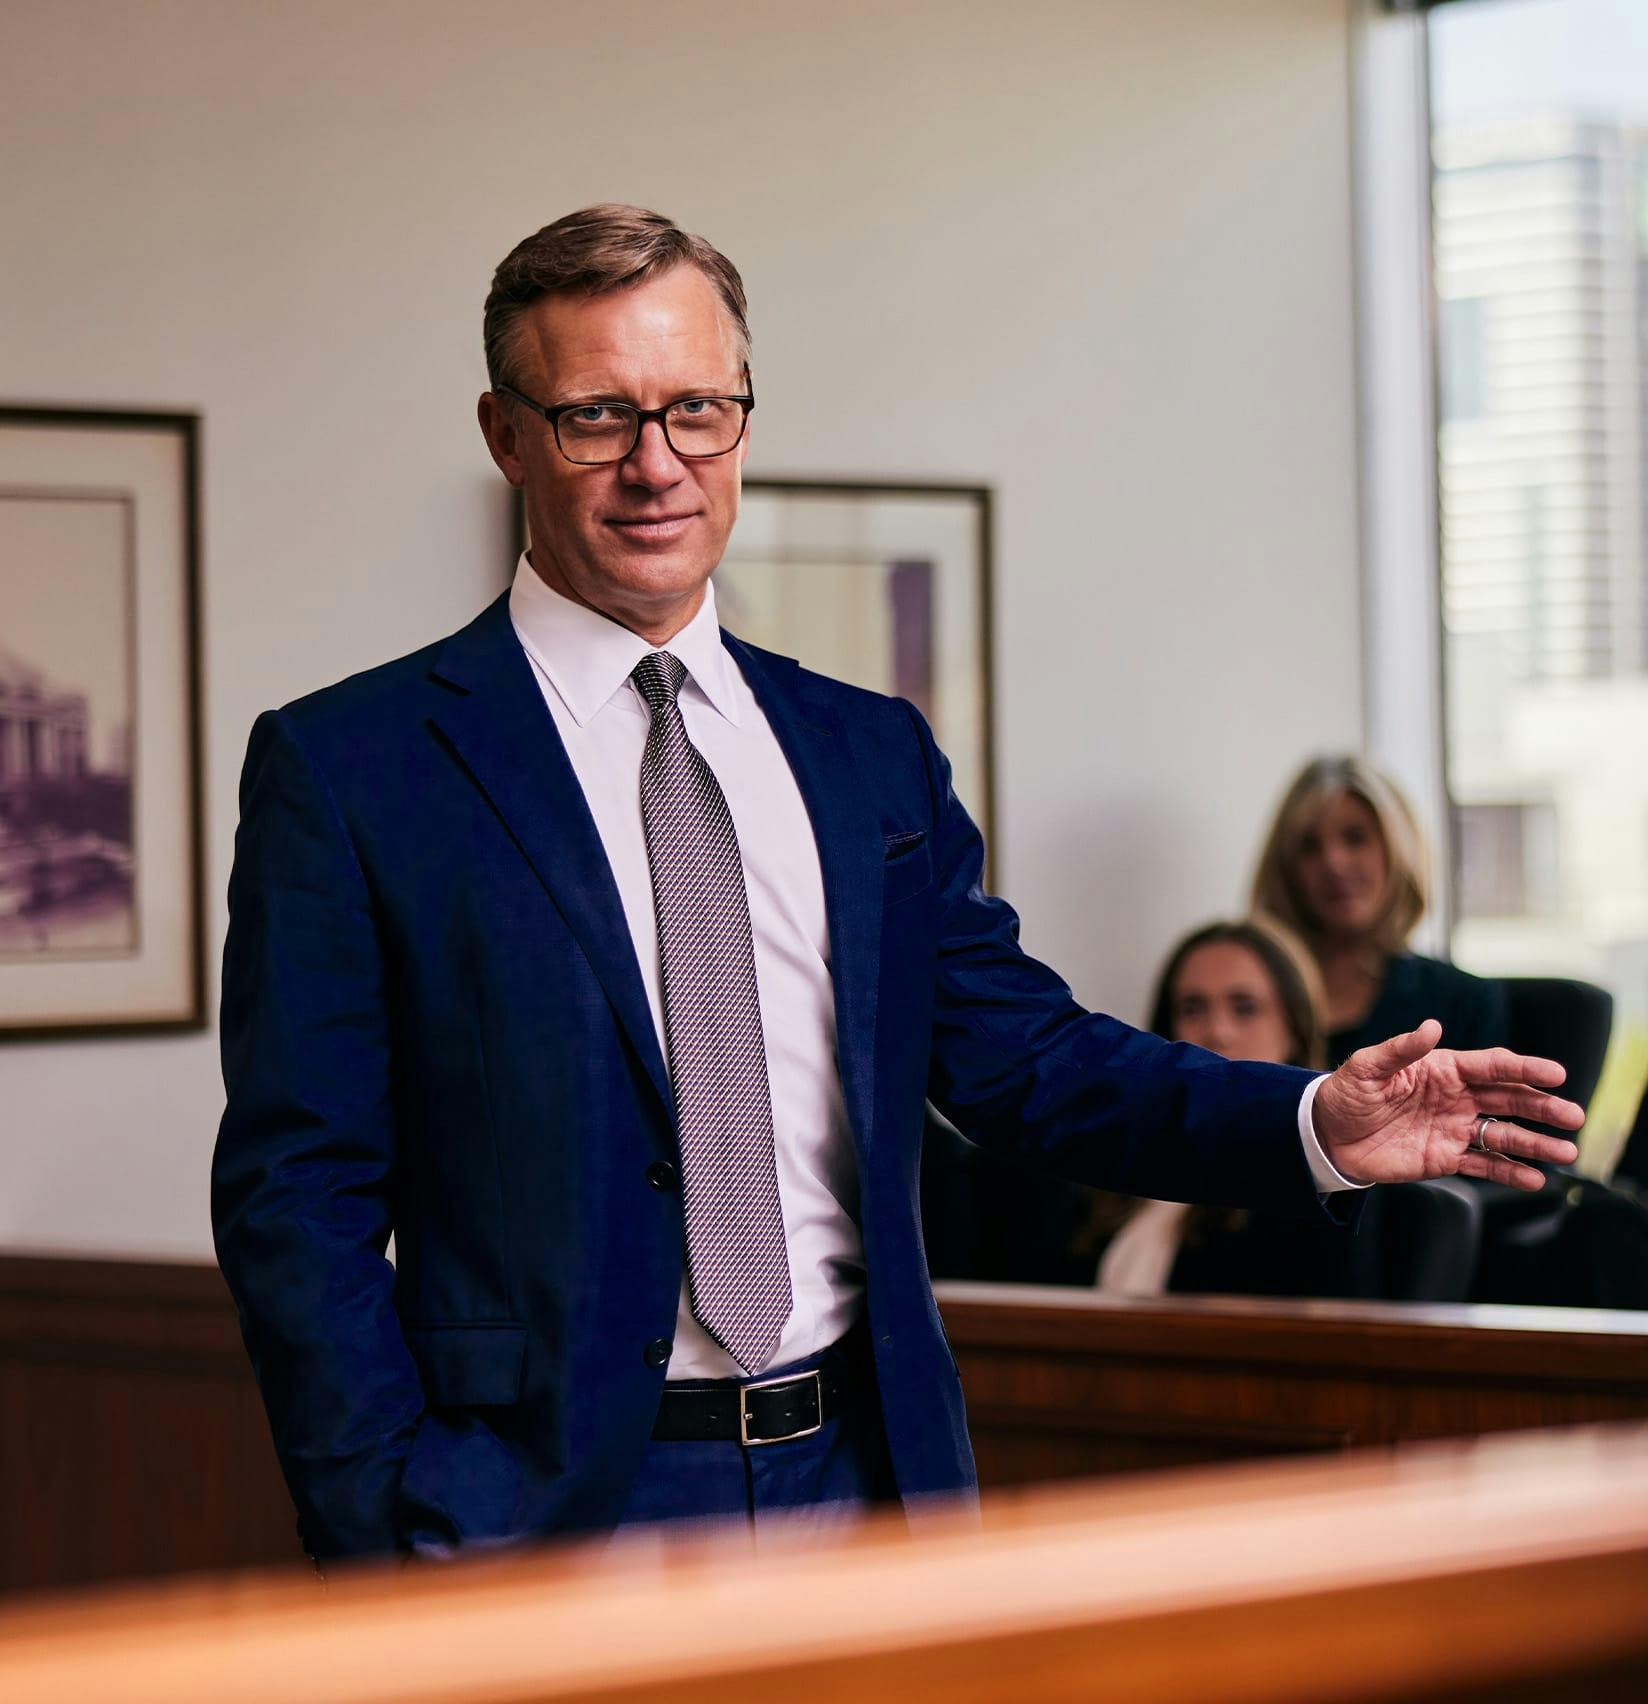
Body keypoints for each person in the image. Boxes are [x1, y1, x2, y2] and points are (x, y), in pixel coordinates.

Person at [211, 204, 1582, 1567]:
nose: (656, 465)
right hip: (539, 1518)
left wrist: (1310, 1122)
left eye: (698, 409)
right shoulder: (353, 771)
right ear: (506, 433)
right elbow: (299, 1196)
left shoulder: (868, 754)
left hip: (863, 1488)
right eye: (596, 416)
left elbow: (1027, 1062)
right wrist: (382, 1526)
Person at [1251, 756, 1509, 1066]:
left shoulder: (1462, 1001)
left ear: (1398, 851)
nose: (1333, 862)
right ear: (1286, 869)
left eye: (1355, 838)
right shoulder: (1243, 997)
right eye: (1309, 846)